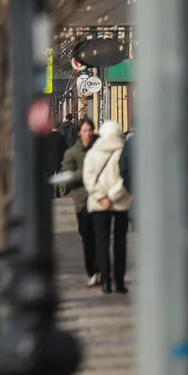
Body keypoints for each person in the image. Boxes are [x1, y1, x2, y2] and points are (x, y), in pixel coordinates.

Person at [84, 119, 131, 294]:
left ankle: (105, 282)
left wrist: (101, 196)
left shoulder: (93, 153)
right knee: (120, 243)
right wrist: (113, 196)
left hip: (98, 204)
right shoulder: (123, 152)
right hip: (120, 202)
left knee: (101, 243)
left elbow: (88, 178)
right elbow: (126, 176)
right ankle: (119, 282)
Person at [60, 118, 99, 286]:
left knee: (101, 237)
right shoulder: (72, 153)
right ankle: (92, 270)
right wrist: (85, 173)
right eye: (84, 130)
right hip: (82, 201)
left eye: (90, 130)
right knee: (87, 237)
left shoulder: (99, 149)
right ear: (78, 132)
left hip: (99, 198)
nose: (88, 133)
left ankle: (101, 271)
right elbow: (67, 177)